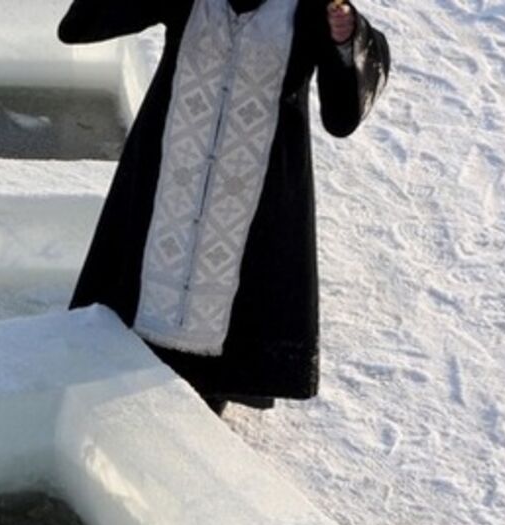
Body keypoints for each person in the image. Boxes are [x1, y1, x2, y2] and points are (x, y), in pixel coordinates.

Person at [60, 0, 391, 413]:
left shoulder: (310, 9)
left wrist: (348, 38)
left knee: (219, 342)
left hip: (253, 191)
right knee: (123, 342)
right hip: (168, 175)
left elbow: (342, 116)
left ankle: (208, 401)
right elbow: (81, 26)